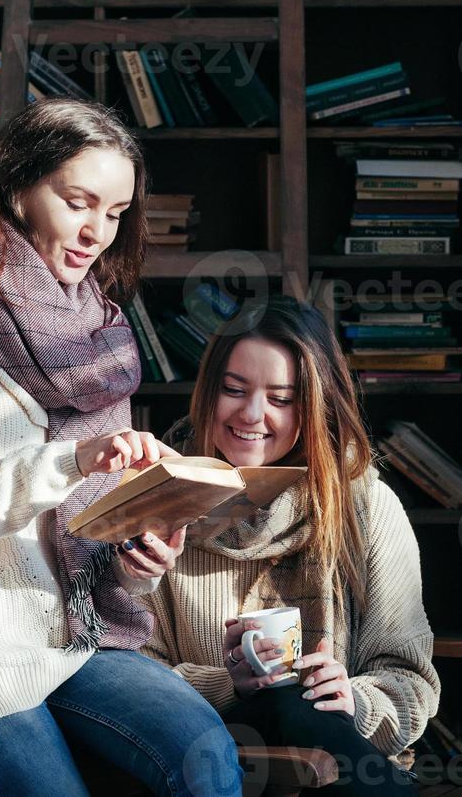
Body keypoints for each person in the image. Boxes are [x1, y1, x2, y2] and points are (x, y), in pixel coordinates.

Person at [0, 98, 244, 797]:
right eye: (78, 202)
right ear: (17, 187)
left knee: (205, 759)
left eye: (115, 212)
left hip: (74, 636)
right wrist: (69, 461)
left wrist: (139, 566)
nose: (97, 232)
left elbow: (88, 533)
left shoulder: (95, 329)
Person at [141, 295, 440, 795]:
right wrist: (231, 686)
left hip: (335, 761)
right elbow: (130, 678)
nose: (252, 415)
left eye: (281, 399)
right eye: (234, 390)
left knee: (298, 699)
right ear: (208, 392)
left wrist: (351, 699)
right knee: (282, 699)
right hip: (202, 758)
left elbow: (409, 683)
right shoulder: (162, 499)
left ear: (316, 406)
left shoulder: (365, 506)